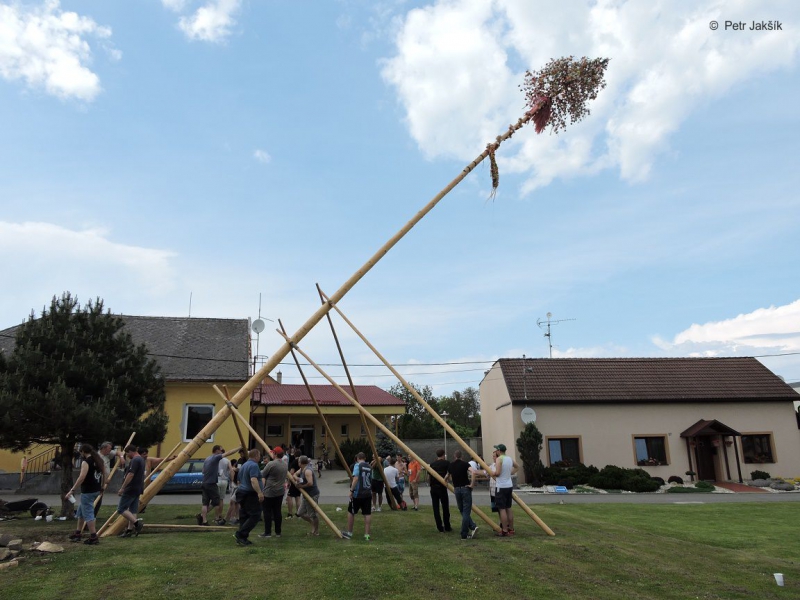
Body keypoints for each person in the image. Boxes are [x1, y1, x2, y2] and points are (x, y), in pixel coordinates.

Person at [66, 444, 106, 545]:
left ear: (83, 452)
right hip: (96, 489)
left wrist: (72, 490)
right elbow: (104, 474)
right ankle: (78, 533)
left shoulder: (86, 462)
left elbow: (82, 477)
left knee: (88, 514)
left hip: (88, 491)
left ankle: (93, 536)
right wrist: (102, 486)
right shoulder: (98, 460)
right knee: (81, 511)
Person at [197, 445, 240, 526]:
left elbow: (203, 471)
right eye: (221, 450)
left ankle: (204, 521)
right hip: (211, 483)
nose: (222, 451)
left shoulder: (207, 458)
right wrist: (239, 447)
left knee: (205, 503)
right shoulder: (215, 457)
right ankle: (203, 516)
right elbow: (229, 453)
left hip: (205, 482)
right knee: (217, 501)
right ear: (217, 450)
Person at [234, 449, 264, 546]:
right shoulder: (254, 465)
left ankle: (242, 538)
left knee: (244, 515)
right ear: (256, 456)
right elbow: (253, 480)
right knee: (256, 515)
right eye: (259, 455)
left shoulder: (244, 465)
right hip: (250, 493)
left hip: (242, 491)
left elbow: (239, 479)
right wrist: (259, 493)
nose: (260, 457)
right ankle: (241, 534)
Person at [341, 452, 372, 541]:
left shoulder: (357, 465)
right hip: (367, 493)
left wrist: (351, 490)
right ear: (365, 458)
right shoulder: (369, 467)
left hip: (358, 493)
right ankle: (367, 535)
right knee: (367, 513)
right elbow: (370, 479)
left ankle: (349, 533)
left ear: (357, 458)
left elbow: (356, 478)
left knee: (351, 512)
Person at [448, 450, 478, 540]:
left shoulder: (451, 465)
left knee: (462, 509)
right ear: (462, 456)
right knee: (466, 511)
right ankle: (465, 532)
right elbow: (473, 472)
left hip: (456, 489)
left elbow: (447, 476)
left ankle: (471, 527)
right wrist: (472, 484)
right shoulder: (465, 464)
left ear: (454, 456)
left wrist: (446, 480)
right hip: (465, 488)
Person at [116, 444, 145, 538]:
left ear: (131, 452)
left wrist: (123, 488)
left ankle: (137, 524)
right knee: (133, 510)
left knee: (121, 509)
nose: (127, 456)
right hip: (138, 488)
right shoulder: (141, 459)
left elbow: (130, 474)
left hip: (131, 488)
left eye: (127, 453)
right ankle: (129, 530)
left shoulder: (135, 460)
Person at [259, 446, 288, 538]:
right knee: (277, 511)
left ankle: (267, 532)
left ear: (275, 454)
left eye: (273, 453)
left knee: (267, 512)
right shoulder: (285, 464)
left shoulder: (271, 464)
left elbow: (263, 474)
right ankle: (278, 532)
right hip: (280, 491)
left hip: (269, 491)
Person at [492, 443, 519, 537]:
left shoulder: (499, 459)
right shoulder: (509, 458)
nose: (496, 451)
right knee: (508, 507)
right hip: (509, 485)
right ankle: (511, 528)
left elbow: (498, 473)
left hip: (501, 486)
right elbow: (517, 467)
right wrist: (509, 473)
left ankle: (504, 530)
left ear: (499, 451)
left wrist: (493, 473)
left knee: (502, 508)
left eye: (496, 450)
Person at [294, 455, 320, 536]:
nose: (298, 462)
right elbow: (294, 474)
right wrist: (298, 479)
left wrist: (301, 486)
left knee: (312, 514)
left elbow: (310, 483)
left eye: (298, 461)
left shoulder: (307, 471)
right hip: (306, 495)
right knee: (300, 513)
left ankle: (316, 531)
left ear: (301, 463)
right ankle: (312, 524)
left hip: (312, 495)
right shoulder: (302, 469)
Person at [429, 448, 451, 532]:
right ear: (443, 455)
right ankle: (447, 526)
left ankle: (439, 527)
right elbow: (449, 473)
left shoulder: (432, 464)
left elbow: (429, 477)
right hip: (442, 487)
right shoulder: (447, 463)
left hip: (433, 487)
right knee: (445, 507)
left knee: (436, 508)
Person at [285, 449, 301, 519]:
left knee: (289, 497)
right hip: (299, 480)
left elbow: (291, 472)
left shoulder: (294, 462)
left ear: (294, 454)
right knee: (297, 497)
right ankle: (298, 513)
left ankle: (290, 513)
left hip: (294, 481)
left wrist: (289, 481)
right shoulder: (301, 461)